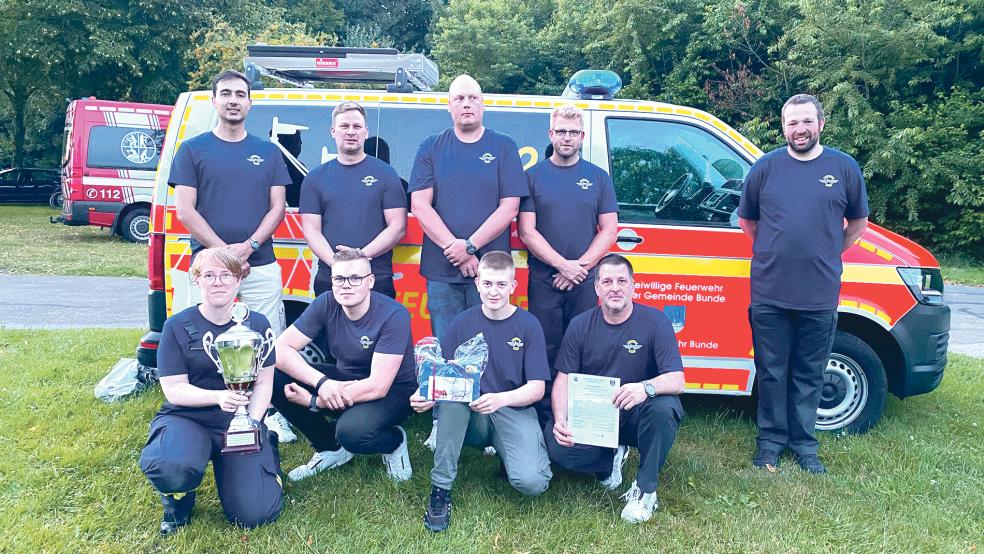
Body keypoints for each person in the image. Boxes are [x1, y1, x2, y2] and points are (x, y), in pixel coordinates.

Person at [737, 94, 869, 474]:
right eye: (792, 123)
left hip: (819, 293)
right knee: (772, 370)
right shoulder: (765, 168)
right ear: (783, 127)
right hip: (770, 291)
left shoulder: (843, 168)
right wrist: (775, 252)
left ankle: (804, 444)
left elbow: (857, 224)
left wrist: (828, 252)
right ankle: (770, 443)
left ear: (821, 124)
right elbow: (749, 222)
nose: (800, 130)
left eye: (807, 122)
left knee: (810, 372)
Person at [169, 69, 296, 442]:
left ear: (250, 103)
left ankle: (266, 411)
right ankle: (201, 408)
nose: (233, 100)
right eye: (226, 93)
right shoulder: (192, 150)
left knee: (265, 339)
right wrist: (224, 254)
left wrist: (251, 246)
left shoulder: (268, 152)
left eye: (240, 94)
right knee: (198, 338)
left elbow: (278, 208)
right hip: (208, 266)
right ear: (214, 101)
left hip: (260, 261)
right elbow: (185, 211)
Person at [408, 74, 528, 448]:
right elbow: (419, 205)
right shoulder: (431, 146)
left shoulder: (503, 147)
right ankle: (443, 421)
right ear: (449, 106)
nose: (466, 104)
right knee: (446, 342)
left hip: (488, 268)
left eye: (472, 98)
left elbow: (510, 205)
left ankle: (487, 420)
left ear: (482, 103)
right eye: (459, 98)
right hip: (443, 270)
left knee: (489, 342)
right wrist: (455, 248)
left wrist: (471, 247)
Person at [139, 248, 283, 536]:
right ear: (197, 280)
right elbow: (174, 390)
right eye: (209, 275)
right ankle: (179, 503)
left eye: (226, 275)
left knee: (254, 514)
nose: (218, 282)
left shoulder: (258, 324)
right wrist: (218, 397)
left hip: (240, 420)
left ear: (238, 280)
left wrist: (252, 423)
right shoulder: (176, 326)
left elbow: (265, 382)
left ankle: (266, 449)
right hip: (189, 417)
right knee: (171, 465)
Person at [410, 251, 552, 533]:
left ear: (513, 286)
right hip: (471, 412)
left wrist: (502, 399)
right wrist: (425, 394)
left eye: (501, 284)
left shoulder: (528, 325)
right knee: (451, 402)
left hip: (512, 408)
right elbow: (444, 372)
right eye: (487, 284)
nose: (494, 291)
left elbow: (537, 388)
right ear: (477, 284)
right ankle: (441, 491)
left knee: (532, 483)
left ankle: (507, 456)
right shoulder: (462, 322)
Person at [544, 254, 685, 523]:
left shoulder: (656, 322)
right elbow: (563, 378)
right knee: (558, 448)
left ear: (633, 285)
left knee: (665, 407)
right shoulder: (580, 325)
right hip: (596, 415)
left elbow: (677, 379)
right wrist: (561, 419)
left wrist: (645, 388)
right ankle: (609, 460)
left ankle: (645, 491)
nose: (615, 288)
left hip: (636, 412)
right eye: (607, 281)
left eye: (622, 281)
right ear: (597, 288)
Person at [271, 249, 416, 482]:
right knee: (274, 375)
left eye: (355, 278)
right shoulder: (326, 302)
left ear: (370, 281)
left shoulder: (393, 315)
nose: (346, 285)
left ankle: (393, 442)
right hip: (343, 377)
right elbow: (281, 349)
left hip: (393, 390)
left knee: (353, 433)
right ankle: (329, 448)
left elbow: (378, 386)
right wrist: (322, 383)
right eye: (339, 279)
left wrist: (314, 401)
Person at [518, 104, 618, 418]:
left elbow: (610, 229)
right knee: (545, 349)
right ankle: (546, 418)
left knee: (586, 348)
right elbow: (526, 231)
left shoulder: (598, 177)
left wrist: (580, 268)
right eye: (561, 131)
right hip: (545, 279)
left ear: (582, 137)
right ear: (551, 134)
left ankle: (582, 415)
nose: (567, 137)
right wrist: (563, 265)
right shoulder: (532, 177)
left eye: (573, 132)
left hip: (586, 280)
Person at [300, 101, 407, 298]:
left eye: (357, 126)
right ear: (333, 131)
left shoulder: (386, 174)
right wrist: (339, 264)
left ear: (366, 132)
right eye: (344, 126)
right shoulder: (315, 178)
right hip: (331, 278)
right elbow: (311, 230)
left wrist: (360, 258)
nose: (351, 132)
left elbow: (398, 226)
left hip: (376, 277)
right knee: (330, 330)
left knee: (376, 329)